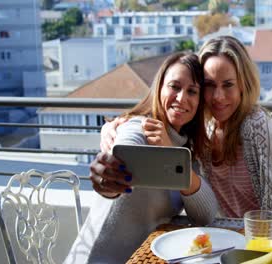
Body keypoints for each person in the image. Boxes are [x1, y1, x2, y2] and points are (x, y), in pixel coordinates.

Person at [100, 36, 272, 221]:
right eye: (209, 85)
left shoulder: (255, 125)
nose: (218, 97)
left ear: (243, 85)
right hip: (236, 241)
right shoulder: (202, 129)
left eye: (228, 85)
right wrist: (112, 127)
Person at [64, 52, 218, 264]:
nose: (182, 98)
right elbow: (122, 155)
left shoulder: (186, 148)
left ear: (199, 102)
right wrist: (107, 176)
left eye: (192, 91)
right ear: (159, 89)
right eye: (174, 86)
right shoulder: (138, 127)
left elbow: (206, 215)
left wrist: (170, 152)